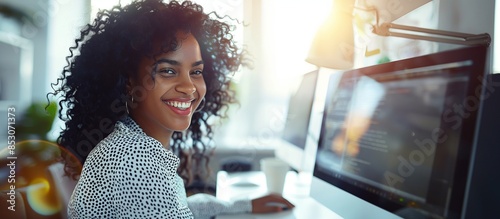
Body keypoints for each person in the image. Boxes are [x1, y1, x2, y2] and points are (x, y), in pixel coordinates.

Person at [49, 0, 294, 218]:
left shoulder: (134, 143)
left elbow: (179, 207)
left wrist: (243, 206)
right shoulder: (133, 158)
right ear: (128, 83)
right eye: (168, 71)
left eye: (196, 72)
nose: (188, 87)